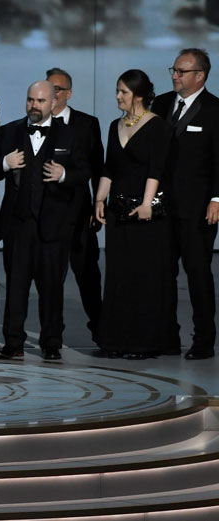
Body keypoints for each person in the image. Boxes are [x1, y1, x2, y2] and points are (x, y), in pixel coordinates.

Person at [0, 80, 88, 361]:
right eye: (30, 100)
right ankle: (13, 342)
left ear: (54, 102)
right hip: (18, 226)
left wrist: (64, 175)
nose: (34, 105)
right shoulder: (8, 132)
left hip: (53, 227)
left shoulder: (70, 135)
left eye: (41, 101)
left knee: (52, 289)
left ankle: (51, 342)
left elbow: (84, 172)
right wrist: (5, 163)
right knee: (15, 288)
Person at [95, 69, 179, 359]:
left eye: (124, 92)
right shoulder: (114, 125)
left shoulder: (158, 127)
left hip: (145, 213)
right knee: (119, 277)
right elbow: (109, 167)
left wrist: (146, 203)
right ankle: (116, 340)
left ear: (139, 95)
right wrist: (99, 199)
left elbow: (156, 168)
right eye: (118, 91)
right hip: (118, 212)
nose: (118, 96)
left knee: (143, 278)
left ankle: (142, 343)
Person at [151, 48, 219, 360]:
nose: (175, 75)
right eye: (174, 70)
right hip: (162, 206)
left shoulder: (216, 110)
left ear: (200, 76)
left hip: (198, 210)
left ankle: (203, 341)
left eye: (181, 71)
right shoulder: (162, 103)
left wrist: (217, 198)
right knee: (162, 273)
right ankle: (165, 337)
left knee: (197, 274)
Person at [47, 67, 104, 345]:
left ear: (68, 93)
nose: (52, 93)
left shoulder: (87, 123)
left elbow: (97, 167)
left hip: (80, 215)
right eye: (49, 88)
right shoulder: (34, 121)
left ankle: (102, 331)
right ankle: (53, 338)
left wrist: (97, 204)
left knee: (88, 276)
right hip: (48, 217)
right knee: (51, 280)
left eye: (58, 89)